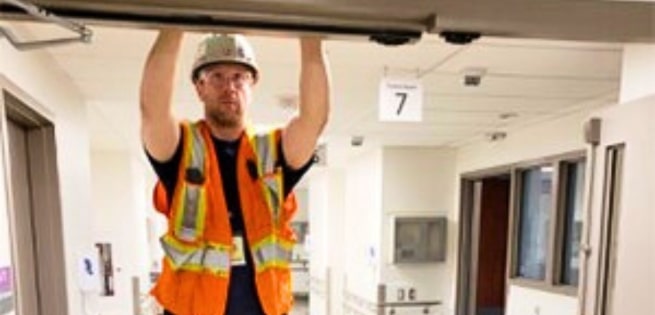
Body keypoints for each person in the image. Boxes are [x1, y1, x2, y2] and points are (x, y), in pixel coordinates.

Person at [139, 29, 330, 315]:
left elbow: (314, 120)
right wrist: (173, 25)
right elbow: (152, 110)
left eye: (239, 77)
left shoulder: (273, 152)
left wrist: (310, 37)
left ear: (252, 86)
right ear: (199, 87)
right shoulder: (182, 149)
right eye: (216, 76)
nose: (229, 86)